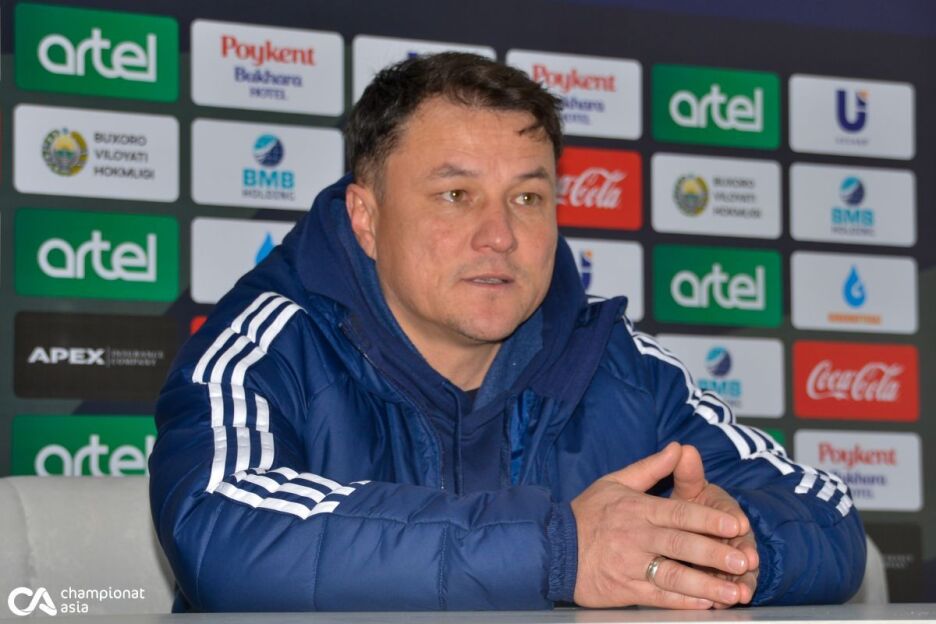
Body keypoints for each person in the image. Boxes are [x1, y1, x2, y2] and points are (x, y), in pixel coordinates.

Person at [149, 52, 866, 612]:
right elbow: (220, 533)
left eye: (527, 196)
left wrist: (729, 547)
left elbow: (829, 517)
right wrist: (561, 550)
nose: (498, 235)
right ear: (367, 218)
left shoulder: (620, 366)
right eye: (455, 195)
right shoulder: (270, 345)